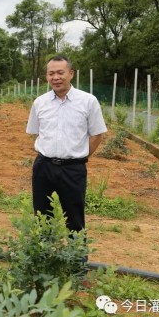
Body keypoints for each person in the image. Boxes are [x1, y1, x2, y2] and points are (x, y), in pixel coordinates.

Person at [26, 55, 107, 234]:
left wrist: (81, 156)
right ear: (46, 76)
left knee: (75, 218)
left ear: (71, 73)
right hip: (43, 167)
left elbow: (97, 134)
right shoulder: (40, 103)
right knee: (41, 216)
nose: (56, 78)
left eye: (60, 73)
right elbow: (36, 133)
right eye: (51, 73)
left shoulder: (88, 101)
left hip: (73, 170)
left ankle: (77, 260)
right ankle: (43, 258)